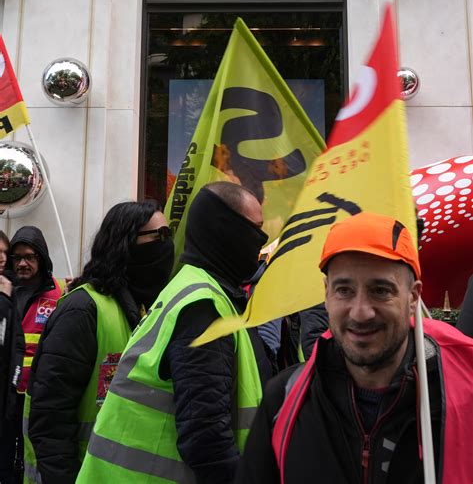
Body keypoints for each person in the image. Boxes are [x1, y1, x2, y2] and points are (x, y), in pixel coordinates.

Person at [236, 211, 473, 484]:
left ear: (413, 297)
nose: (360, 312)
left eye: (381, 290)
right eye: (344, 290)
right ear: (326, 294)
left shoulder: (463, 398)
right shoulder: (283, 401)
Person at [77, 181, 272, 484]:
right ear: (225, 231)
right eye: (255, 230)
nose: (261, 241)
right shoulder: (202, 306)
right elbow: (206, 439)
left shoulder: (196, 290)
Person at [24, 200, 174, 484]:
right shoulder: (83, 310)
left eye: (169, 234)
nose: (168, 245)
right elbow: (50, 419)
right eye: (159, 236)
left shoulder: (149, 309)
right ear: (125, 243)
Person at [1, 226, 65, 484]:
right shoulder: (4, 292)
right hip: (7, 395)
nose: (23, 263)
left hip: (39, 396)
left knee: (34, 457)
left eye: (30, 257)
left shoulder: (60, 293)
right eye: (17, 258)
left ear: (42, 257)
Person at [0, 231, 25, 484]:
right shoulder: (5, 293)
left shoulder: (10, 287)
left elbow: (14, 342)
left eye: (5, 253)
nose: (2, 258)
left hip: (9, 396)